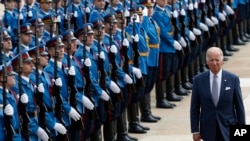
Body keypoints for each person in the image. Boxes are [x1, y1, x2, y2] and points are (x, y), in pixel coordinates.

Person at [190, 47, 246, 141]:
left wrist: (241, 132)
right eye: (211, 60)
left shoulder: (233, 79)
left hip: (228, 128)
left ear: (222, 61)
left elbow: (239, 107)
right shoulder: (198, 80)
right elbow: (194, 108)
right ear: (207, 62)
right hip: (208, 129)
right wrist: (195, 130)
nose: (214, 63)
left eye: (217, 60)